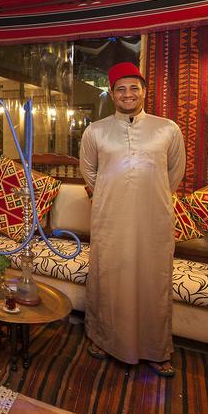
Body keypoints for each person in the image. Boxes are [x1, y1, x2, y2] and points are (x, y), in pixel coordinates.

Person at [78, 62, 185, 377]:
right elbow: (89, 171)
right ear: (112, 94)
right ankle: (103, 339)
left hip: (154, 219)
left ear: (144, 91)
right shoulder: (95, 131)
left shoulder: (167, 129)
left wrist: (149, 195)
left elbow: (174, 174)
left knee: (154, 280)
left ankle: (156, 349)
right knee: (109, 277)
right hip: (110, 219)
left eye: (133, 88)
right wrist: (112, 194)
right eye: (120, 89)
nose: (127, 94)